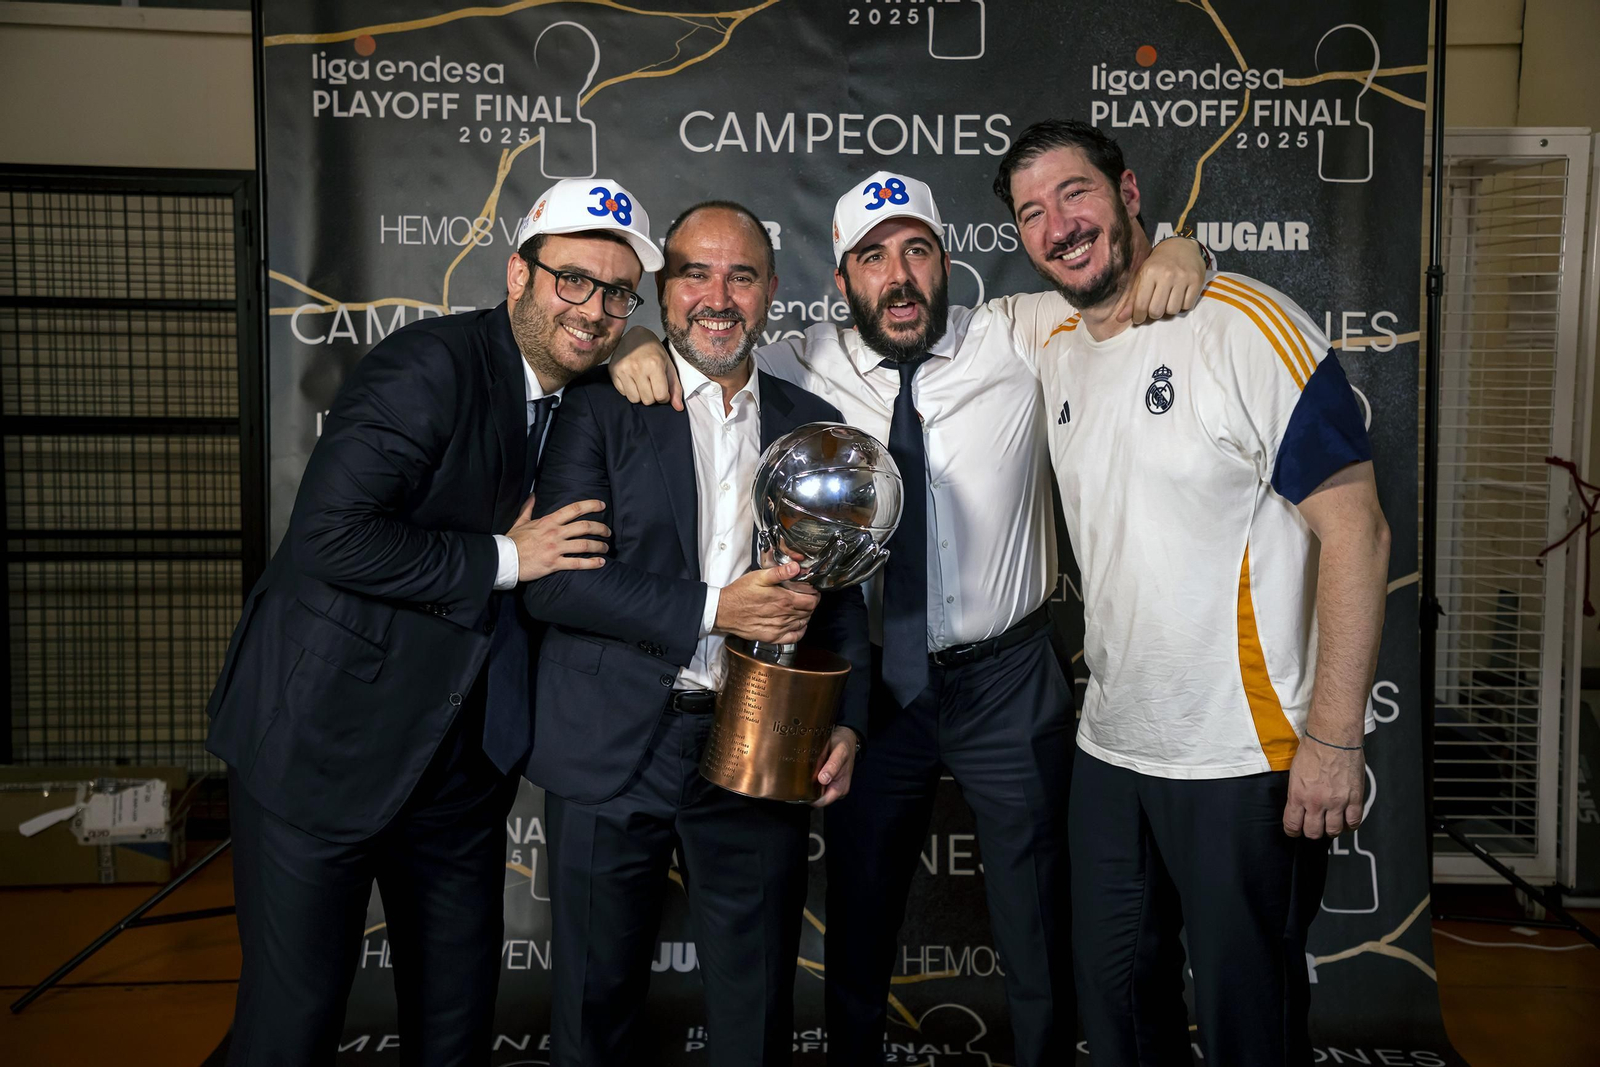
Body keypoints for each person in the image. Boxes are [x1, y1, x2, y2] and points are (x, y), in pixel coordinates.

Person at [607, 173, 1210, 1066]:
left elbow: (1114, 291)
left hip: (1006, 679)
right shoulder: (798, 363)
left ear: (947, 262)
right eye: (873, 257)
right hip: (875, 682)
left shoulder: (1016, 334)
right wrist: (638, 347)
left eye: (917, 250)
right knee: (859, 910)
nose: (899, 276)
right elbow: (710, 350)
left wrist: (1182, 249)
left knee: (1038, 913)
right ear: (840, 278)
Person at [203, 178, 660, 1065]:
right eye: (573, 280)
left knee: (453, 1036)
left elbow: (612, 343)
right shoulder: (432, 365)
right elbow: (331, 537)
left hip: (457, 776)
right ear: (517, 274)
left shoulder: (592, 378)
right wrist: (506, 558)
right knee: (287, 1034)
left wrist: (645, 341)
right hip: (320, 749)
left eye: (616, 293)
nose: (594, 309)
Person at [996, 118, 1390, 1065]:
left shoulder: (1245, 326)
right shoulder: (1044, 336)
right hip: (1113, 745)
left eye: (1077, 193)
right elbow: (908, 326)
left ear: (1129, 195)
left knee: (1248, 1015)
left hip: (1240, 753)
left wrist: (1335, 736)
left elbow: (1358, 529)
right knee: (1117, 1002)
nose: (1059, 224)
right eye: (1032, 213)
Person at [519, 200, 871, 1067]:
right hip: (610, 747)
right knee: (593, 1010)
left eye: (741, 275)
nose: (719, 296)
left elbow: (848, 597)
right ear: (662, 295)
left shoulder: (809, 422)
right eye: (695, 274)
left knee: (754, 1013)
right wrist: (718, 608)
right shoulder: (598, 406)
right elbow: (558, 582)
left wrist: (850, 718)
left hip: (758, 745)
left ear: (771, 293)